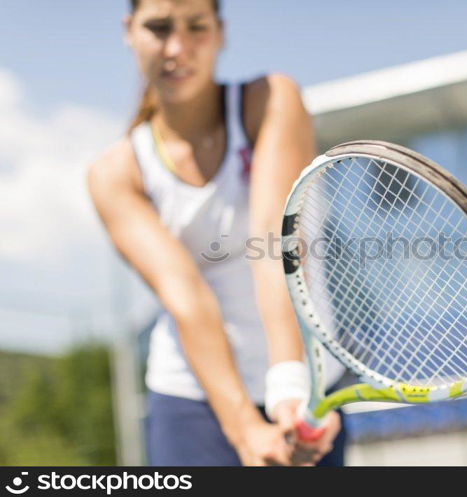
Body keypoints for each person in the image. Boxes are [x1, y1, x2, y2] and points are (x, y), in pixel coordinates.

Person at [88, 0, 345, 466]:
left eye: (196, 27)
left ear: (221, 33)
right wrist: (244, 428)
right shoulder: (113, 174)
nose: (177, 47)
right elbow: (186, 297)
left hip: (304, 383)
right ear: (129, 31)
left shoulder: (271, 99)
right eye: (159, 28)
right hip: (191, 399)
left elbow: (273, 242)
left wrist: (289, 381)